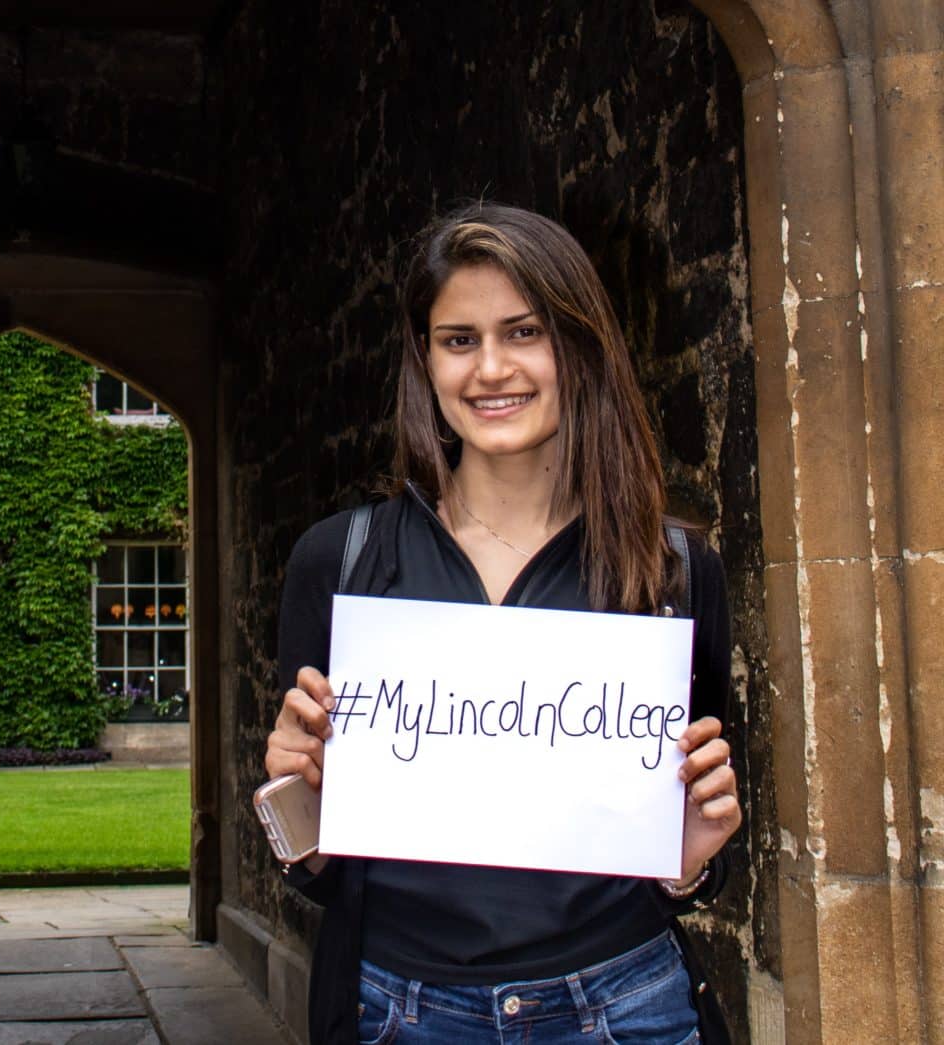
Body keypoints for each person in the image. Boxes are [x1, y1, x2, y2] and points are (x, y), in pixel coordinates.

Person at [264, 201, 742, 1044]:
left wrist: (689, 862)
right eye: (459, 339)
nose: (491, 368)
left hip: (623, 1006)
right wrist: (298, 808)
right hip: (398, 1011)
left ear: (578, 345)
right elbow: (320, 868)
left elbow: (690, 859)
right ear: (426, 359)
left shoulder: (669, 570)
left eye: (524, 332)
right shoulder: (339, 561)